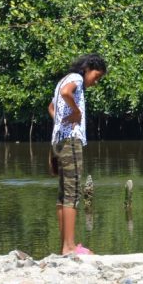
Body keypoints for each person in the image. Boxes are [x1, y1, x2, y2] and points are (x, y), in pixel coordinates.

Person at [48, 53, 106, 256]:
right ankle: (70, 247)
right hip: (70, 141)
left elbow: (51, 107)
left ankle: (65, 247)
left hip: (58, 141)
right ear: (87, 68)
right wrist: (76, 112)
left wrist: (60, 122)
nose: (96, 82)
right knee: (72, 194)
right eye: (96, 76)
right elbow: (67, 93)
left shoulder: (62, 80)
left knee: (63, 195)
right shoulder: (76, 79)